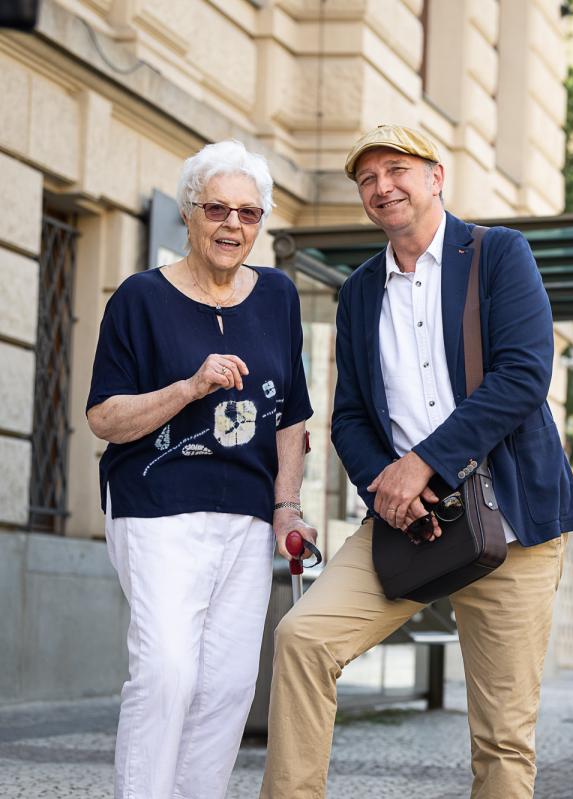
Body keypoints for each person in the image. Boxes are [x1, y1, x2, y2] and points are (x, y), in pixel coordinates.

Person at [259, 124, 573, 799]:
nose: (382, 186)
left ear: (436, 177)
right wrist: (388, 484)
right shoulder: (358, 292)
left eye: (397, 169)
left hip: (512, 523)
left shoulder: (498, 255)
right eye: (368, 178)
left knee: (500, 737)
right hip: (406, 523)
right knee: (303, 638)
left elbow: (524, 375)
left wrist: (425, 465)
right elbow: (348, 414)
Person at [86, 139, 316, 799]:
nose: (232, 225)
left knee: (227, 685)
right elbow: (104, 417)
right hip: (157, 503)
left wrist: (286, 507)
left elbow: (293, 418)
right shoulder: (141, 298)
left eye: (248, 213)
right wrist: (189, 387)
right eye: (217, 208)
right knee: (166, 672)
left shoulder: (276, 295)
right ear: (190, 213)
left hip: (245, 516)